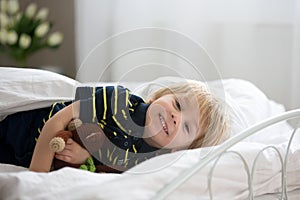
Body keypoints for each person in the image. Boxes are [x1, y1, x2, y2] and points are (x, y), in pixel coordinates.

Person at [0, 81, 229, 173]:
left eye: (187, 127)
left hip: (53, 160)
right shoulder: (119, 100)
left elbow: (103, 173)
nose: (174, 116)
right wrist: (36, 176)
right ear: (160, 96)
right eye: (177, 104)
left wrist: (85, 155)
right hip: (29, 131)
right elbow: (59, 120)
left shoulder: (151, 162)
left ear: (181, 151)